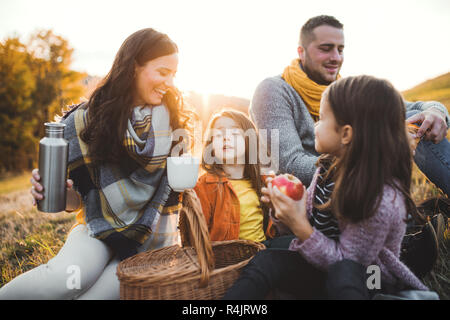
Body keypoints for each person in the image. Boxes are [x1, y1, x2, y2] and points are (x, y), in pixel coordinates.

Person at [0, 28, 193, 300]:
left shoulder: (175, 123)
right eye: (163, 72)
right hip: (99, 228)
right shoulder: (86, 121)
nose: (170, 82)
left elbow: (183, 189)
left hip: (151, 239)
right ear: (134, 67)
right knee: (64, 279)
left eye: (174, 74)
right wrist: (58, 192)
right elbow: (79, 201)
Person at [223, 75, 433, 300]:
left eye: (321, 119)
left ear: (345, 134)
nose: (315, 125)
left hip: (371, 280)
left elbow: (346, 265)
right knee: (265, 261)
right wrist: (288, 214)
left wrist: (300, 225)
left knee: (344, 274)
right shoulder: (326, 169)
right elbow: (314, 231)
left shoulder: (379, 197)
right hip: (324, 266)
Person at [249, 15, 450, 196]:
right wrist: (367, 163)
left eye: (340, 49)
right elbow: (291, 166)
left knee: (416, 118)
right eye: (325, 48)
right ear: (301, 52)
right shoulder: (273, 89)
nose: (336, 57)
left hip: (359, 186)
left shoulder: (345, 89)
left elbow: (409, 107)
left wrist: (436, 111)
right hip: (306, 198)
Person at [194, 109, 294, 248]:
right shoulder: (203, 186)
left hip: (263, 248)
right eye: (218, 134)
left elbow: (280, 228)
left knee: (294, 243)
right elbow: (196, 238)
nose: (226, 138)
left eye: (235, 133)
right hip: (230, 257)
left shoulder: (265, 181)